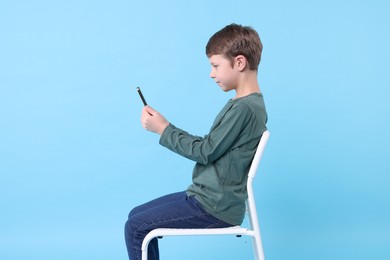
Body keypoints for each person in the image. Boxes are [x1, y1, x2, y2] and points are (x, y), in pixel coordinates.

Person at [125, 23, 268, 260]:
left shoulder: (245, 109)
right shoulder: (244, 105)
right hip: (205, 196)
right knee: (135, 216)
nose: (212, 73)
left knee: (135, 227)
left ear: (239, 63)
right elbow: (211, 146)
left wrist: (163, 130)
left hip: (214, 206)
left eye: (215, 66)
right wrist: (165, 126)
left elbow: (205, 151)